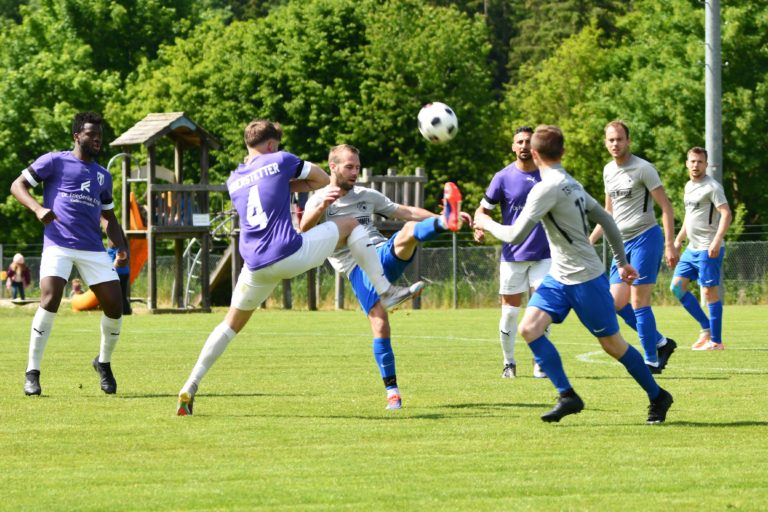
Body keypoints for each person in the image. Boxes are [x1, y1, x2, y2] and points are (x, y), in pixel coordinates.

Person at [176, 121, 424, 416]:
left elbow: (266, 191)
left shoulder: (234, 179)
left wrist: (283, 186)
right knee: (350, 224)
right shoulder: (281, 159)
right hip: (288, 252)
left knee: (230, 325)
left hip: (254, 264)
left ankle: (190, 386)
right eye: (276, 144)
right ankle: (386, 290)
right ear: (271, 145)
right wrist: (289, 180)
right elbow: (321, 179)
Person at [474, 125, 673, 424]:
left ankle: (658, 395)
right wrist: (620, 261)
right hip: (559, 275)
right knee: (529, 329)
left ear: (537, 154)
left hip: (585, 278)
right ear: (563, 152)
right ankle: (567, 395)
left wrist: (483, 221)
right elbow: (606, 218)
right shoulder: (571, 182)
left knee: (613, 345)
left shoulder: (547, 188)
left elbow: (515, 235)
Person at [300, 144, 467, 410]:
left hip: (381, 253)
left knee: (410, 229)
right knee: (380, 325)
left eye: (357, 166)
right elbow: (303, 227)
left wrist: (442, 216)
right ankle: (392, 392)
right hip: (357, 270)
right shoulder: (320, 197)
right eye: (349, 167)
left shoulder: (367, 195)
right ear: (333, 167)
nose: (355, 172)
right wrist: (321, 205)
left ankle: (446, 221)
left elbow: (405, 212)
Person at [10, 111, 128, 396]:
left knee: (115, 304)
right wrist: (38, 209)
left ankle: (103, 363)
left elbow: (109, 218)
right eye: (91, 134)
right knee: (50, 297)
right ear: (77, 136)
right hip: (58, 244)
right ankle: (32, 372)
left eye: (100, 135)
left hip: (93, 249)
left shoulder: (103, 175)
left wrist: (121, 246)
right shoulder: (54, 161)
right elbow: (17, 185)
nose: (97, 139)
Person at [589, 120, 679, 374]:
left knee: (639, 301)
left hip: (646, 239)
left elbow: (666, 207)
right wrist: (589, 241)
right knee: (615, 304)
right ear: (606, 143)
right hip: (621, 245)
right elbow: (608, 213)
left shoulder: (643, 169)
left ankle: (651, 360)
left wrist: (670, 243)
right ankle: (661, 342)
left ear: (628, 141)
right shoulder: (608, 171)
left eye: (619, 139)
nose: (615, 144)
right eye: (611, 140)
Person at [474, 126, 551, 379]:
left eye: (528, 142)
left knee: (542, 310)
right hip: (513, 256)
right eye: (520, 142)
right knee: (509, 314)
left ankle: (540, 362)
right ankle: (509, 363)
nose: (524, 146)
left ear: (535, 146)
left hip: (544, 254)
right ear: (513, 146)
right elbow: (482, 210)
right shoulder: (502, 177)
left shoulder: (547, 174)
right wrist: (479, 227)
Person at [671, 147, 732, 350]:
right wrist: (678, 240)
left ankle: (716, 341)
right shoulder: (688, 186)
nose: (695, 165)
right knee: (677, 288)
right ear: (687, 163)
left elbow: (726, 214)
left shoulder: (712, 187)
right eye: (692, 161)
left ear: (706, 164)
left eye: (700, 162)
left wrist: (716, 240)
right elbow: (690, 218)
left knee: (709, 292)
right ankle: (705, 327)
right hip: (692, 249)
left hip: (708, 248)